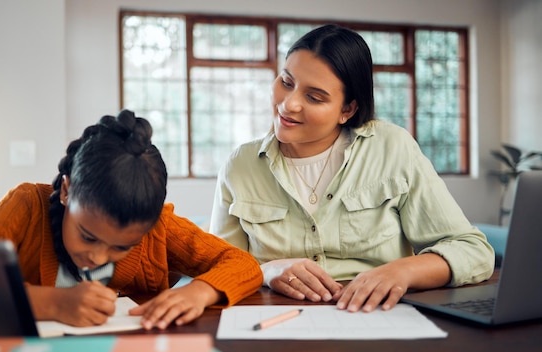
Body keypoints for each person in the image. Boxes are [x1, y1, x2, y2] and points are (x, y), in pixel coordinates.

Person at [209, 24, 494, 313]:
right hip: (277, 318)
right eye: (286, 81)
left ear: (347, 110)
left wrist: (401, 272)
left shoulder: (392, 148)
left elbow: (472, 250)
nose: (289, 104)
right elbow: (218, 264)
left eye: (314, 97)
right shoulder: (241, 164)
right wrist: (268, 271)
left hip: (377, 317)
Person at [0, 109, 262, 329]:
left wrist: (199, 292)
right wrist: (53, 304)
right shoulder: (26, 206)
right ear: (66, 191)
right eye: (88, 236)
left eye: (121, 247)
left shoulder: (158, 229)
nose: (97, 256)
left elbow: (243, 264)